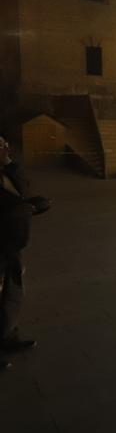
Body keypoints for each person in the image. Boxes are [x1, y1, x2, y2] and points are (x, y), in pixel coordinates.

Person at [0, 135, 43, 370]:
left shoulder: (7, 171)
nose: (7, 147)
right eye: (1, 145)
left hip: (11, 245)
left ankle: (6, 336)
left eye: (6, 143)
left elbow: (23, 189)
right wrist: (12, 214)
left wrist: (10, 165)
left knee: (11, 293)